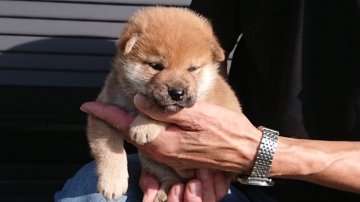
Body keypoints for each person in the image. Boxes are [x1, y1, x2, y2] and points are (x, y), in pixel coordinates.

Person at [56, 0, 360, 201]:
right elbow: (210, 47)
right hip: (235, 184)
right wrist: (192, 152)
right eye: (156, 66)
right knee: (88, 193)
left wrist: (252, 152)